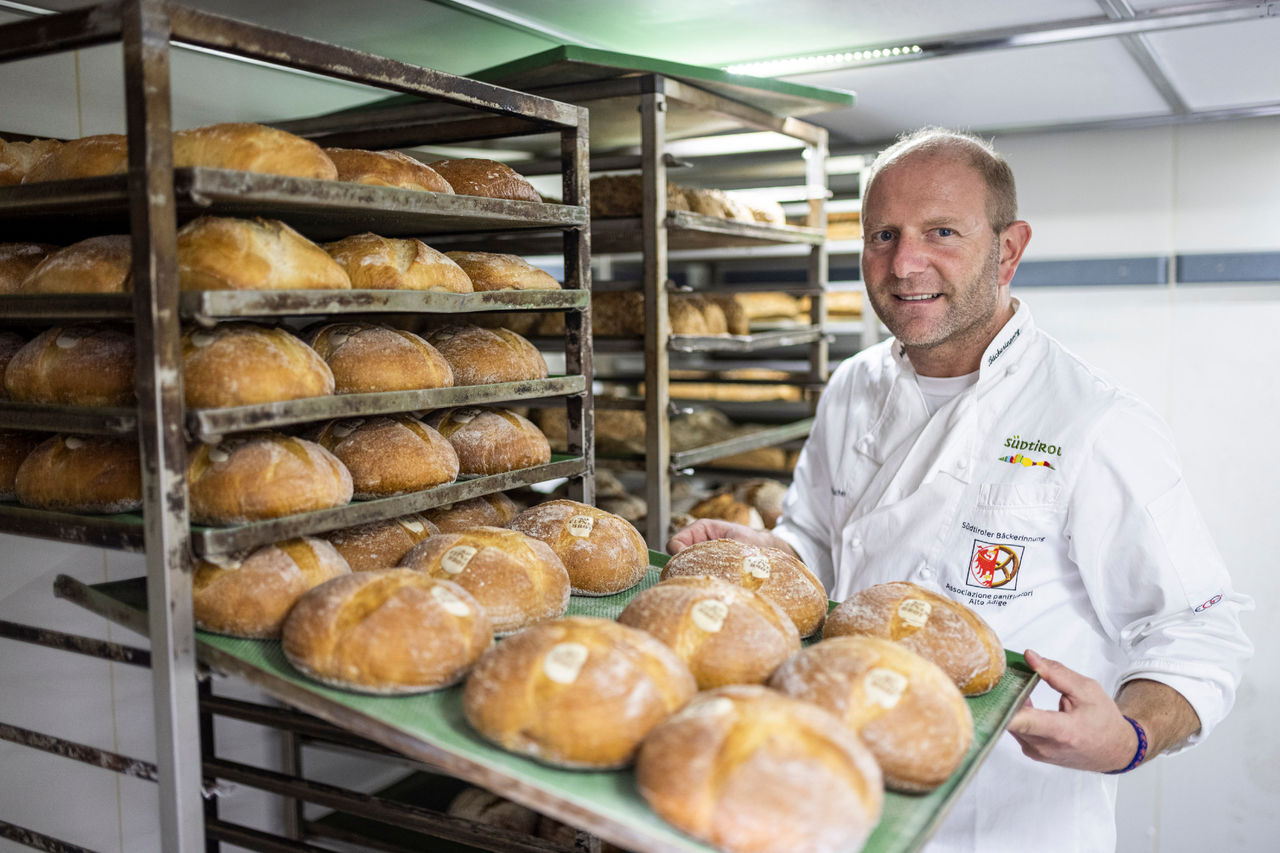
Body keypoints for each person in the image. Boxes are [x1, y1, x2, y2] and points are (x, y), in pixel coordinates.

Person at [667, 127, 1253, 853]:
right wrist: (773, 551)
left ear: (1008, 249)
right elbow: (820, 541)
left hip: (1004, 820)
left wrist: (1129, 736)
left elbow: (1200, 629)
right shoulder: (853, 386)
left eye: (940, 231)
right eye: (883, 234)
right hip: (836, 793)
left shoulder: (1092, 420)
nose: (905, 262)